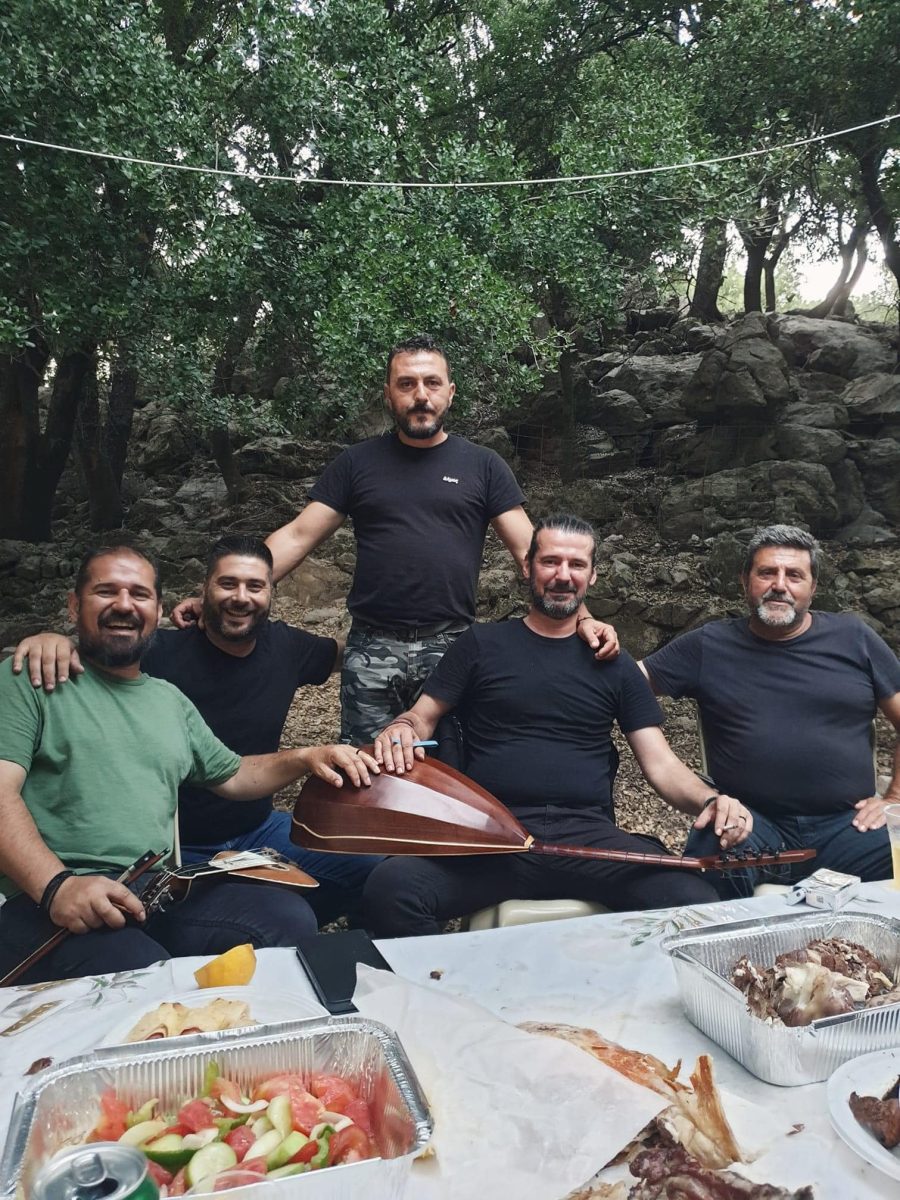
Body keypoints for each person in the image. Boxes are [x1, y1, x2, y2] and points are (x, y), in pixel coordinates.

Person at [170, 335, 619, 743]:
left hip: (453, 647)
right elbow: (298, 536)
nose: (420, 395)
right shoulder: (357, 464)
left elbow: (534, 553)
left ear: (450, 392)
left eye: (431, 383)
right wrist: (216, 595)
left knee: (452, 774)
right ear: (388, 394)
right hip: (371, 647)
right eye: (406, 384)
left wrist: (583, 620)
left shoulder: (483, 466)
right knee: (367, 776)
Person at [0, 545, 378, 985]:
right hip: (49, 895)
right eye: (106, 591)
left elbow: (234, 774)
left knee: (283, 917)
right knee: (140, 971)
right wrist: (56, 886)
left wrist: (306, 756)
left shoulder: (168, 700)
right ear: (73, 605)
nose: (124, 604)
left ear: (158, 610)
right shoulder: (32, 678)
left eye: (139, 594)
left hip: (154, 890)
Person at [360, 515, 751, 937]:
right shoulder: (480, 644)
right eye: (550, 562)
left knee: (693, 898)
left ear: (592, 575)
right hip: (491, 836)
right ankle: (439, 979)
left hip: (587, 841)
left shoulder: (614, 663)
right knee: (391, 888)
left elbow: (661, 765)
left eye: (576, 564)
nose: (563, 576)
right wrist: (402, 727)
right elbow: (422, 716)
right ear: (527, 566)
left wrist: (711, 800)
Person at [640, 524, 900, 897]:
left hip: (850, 827)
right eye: (766, 573)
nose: (779, 585)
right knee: (708, 860)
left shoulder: (854, 638)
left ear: (813, 587)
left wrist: (893, 800)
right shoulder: (709, 645)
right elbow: (627, 683)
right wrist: (586, 627)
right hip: (751, 824)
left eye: (794, 575)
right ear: (745, 580)